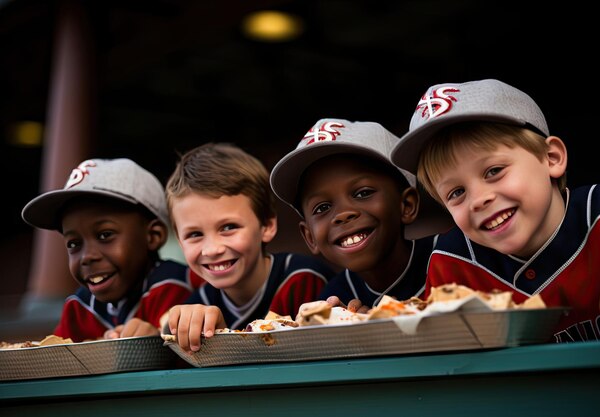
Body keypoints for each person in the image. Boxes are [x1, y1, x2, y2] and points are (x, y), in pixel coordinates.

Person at [391, 78, 600, 342]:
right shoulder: (453, 263)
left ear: (551, 158)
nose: (478, 200)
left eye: (494, 171)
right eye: (456, 193)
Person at [165, 142, 336, 352]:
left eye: (228, 227)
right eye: (195, 234)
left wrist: (223, 344)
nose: (212, 249)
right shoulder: (199, 302)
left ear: (267, 225)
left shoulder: (304, 280)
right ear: (180, 243)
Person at [270, 118, 451, 311]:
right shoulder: (335, 301)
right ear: (310, 237)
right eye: (322, 208)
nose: (343, 214)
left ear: (407, 205)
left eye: (363, 193)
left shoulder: (456, 256)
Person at [21, 158, 198, 342]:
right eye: (74, 243)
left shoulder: (177, 286)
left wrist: (157, 341)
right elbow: (56, 358)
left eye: (105, 235)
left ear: (153, 236)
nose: (87, 257)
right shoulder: (79, 306)